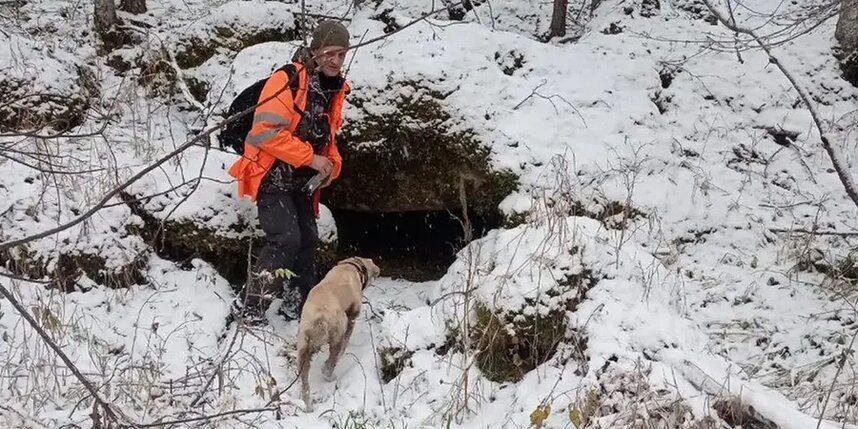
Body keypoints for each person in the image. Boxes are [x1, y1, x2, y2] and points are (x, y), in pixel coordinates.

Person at [227, 20, 351, 322]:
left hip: (301, 183)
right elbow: (264, 132)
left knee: (308, 241)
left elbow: (328, 140)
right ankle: (250, 308)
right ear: (316, 50)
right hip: (271, 176)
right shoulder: (288, 79)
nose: (335, 61)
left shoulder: (333, 89)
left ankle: (298, 306)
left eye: (341, 55)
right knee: (285, 239)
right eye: (330, 54)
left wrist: (331, 165)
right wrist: (310, 159)